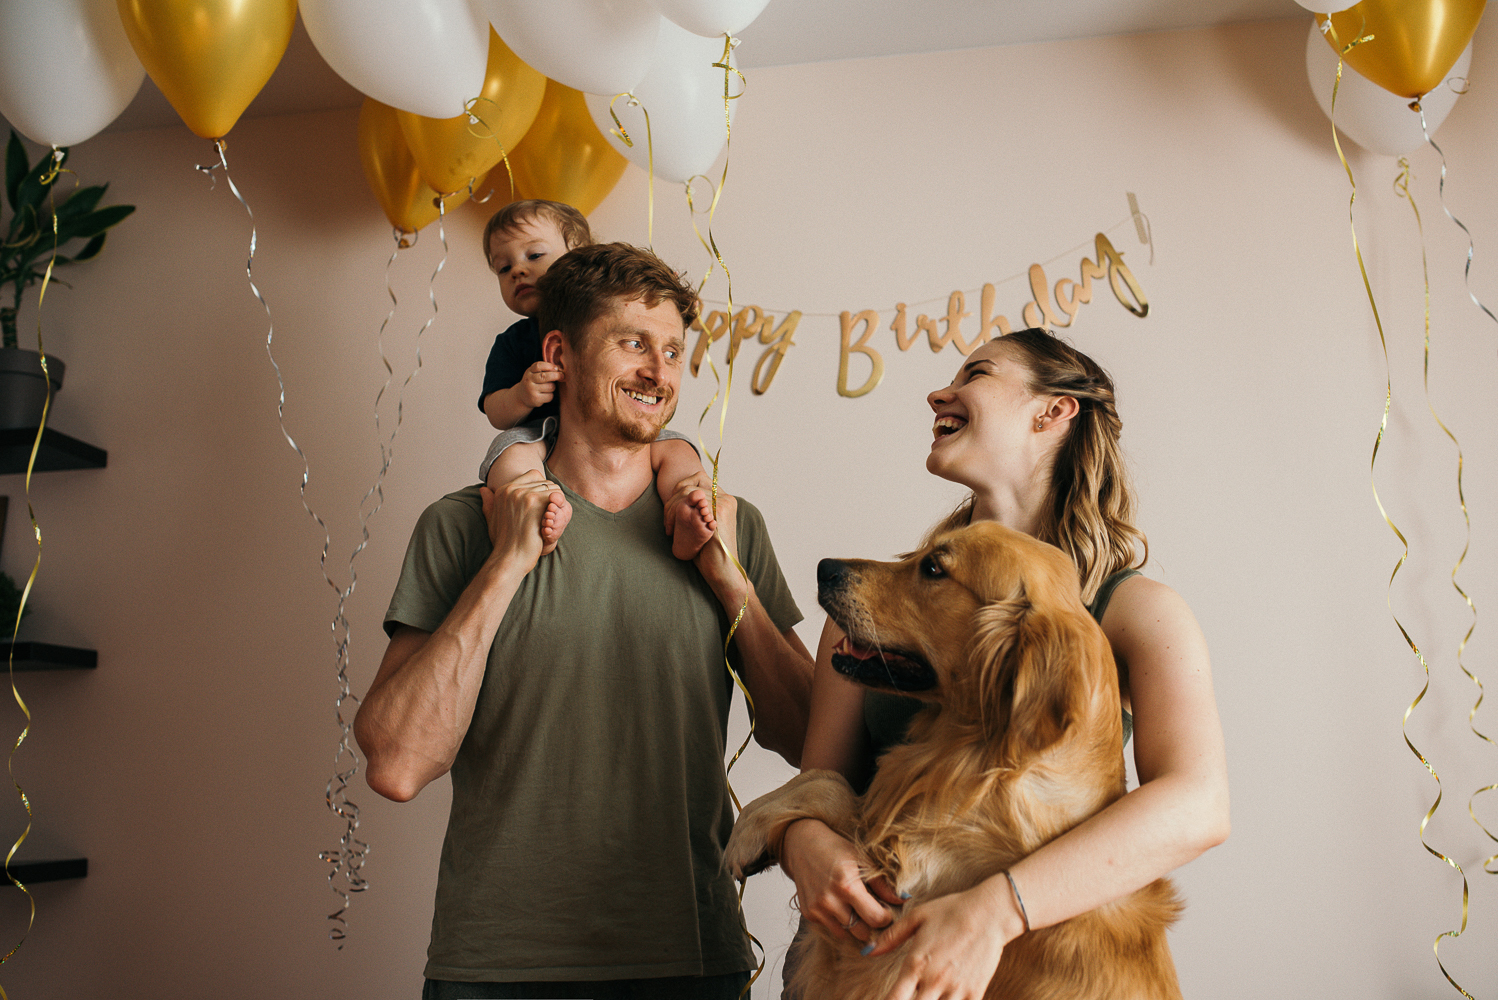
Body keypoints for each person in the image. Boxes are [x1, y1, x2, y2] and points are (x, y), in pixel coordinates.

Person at [355, 243, 816, 998]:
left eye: (672, 350)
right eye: (633, 343)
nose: (659, 372)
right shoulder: (460, 528)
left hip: (689, 958)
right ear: (559, 353)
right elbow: (397, 765)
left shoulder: (728, 525)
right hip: (499, 967)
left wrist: (726, 576)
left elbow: (805, 736)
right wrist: (506, 564)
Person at [777, 328, 1230, 999]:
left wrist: (993, 912)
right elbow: (823, 782)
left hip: (1035, 965)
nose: (940, 391)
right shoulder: (878, 610)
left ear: (1051, 412)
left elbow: (1199, 806)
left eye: (977, 373)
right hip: (854, 954)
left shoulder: (1135, 611)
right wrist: (803, 845)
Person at [477, 200, 713, 558]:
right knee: (510, 454)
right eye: (503, 267)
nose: (517, 272)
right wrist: (522, 396)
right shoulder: (512, 341)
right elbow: (496, 411)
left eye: (535, 255)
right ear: (557, 352)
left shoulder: (612, 307)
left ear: (577, 255)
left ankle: (685, 509)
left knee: (677, 447)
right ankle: (527, 515)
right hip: (537, 433)